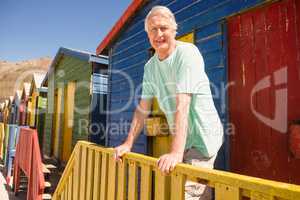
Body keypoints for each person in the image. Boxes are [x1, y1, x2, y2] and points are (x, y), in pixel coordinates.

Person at [114, 5, 223, 200]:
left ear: (174, 29)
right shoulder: (150, 67)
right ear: (148, 35)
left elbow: (183, 104)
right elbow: (142, 109)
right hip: (185, 140)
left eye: (163, 28)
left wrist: (175, 153)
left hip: (203, 139)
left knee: (190, 196)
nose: (159, 34)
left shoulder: (187, 53)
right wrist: (127, 144)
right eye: (153, 30)